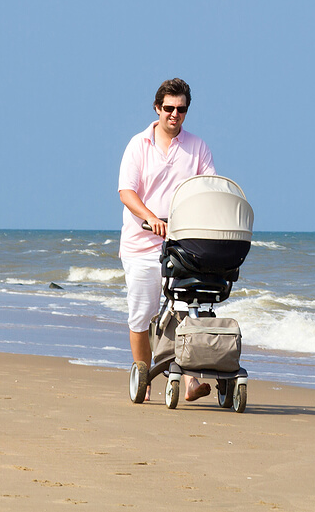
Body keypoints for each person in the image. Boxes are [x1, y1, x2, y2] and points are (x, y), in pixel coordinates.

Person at [118, 77, 215, 401]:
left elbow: (208, 187)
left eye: (181, 109)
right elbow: (126, 191)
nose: (175, 114)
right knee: (142, 314)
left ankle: (190, 383)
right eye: (169, 108)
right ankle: (143, 379)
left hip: (183, 244)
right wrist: (150, 217)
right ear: (158, 108)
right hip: (142, 243)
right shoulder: (138, 145)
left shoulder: (197, 146)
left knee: (185, 311)